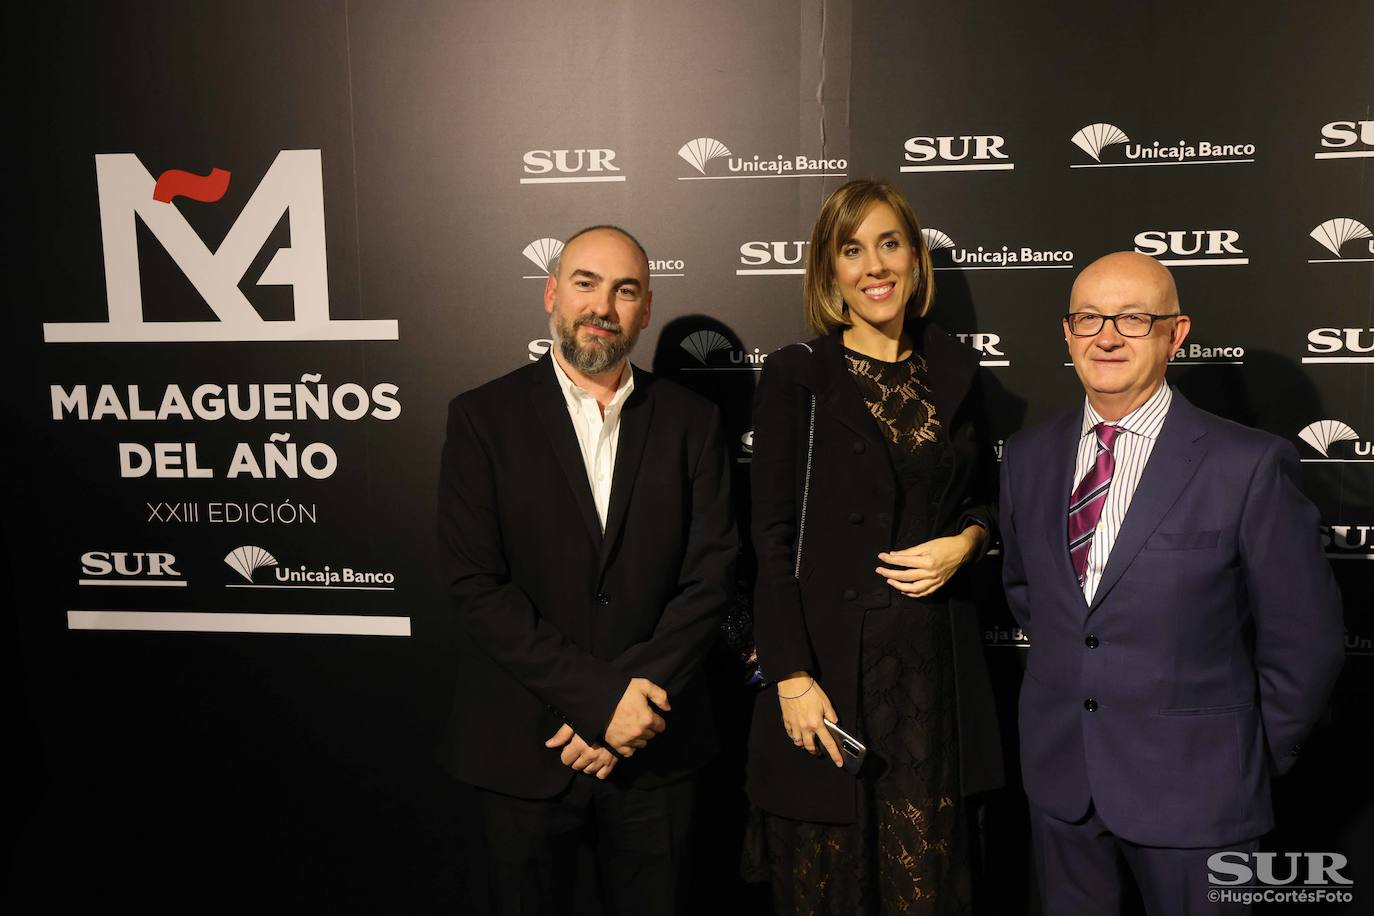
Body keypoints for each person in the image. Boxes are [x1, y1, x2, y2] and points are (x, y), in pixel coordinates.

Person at [999, 251, 1345, 915]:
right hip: (1063, 788)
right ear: (1066, 332)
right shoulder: (1026, 459)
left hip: (1203, 793)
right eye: (1089, 318)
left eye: (1133, 318)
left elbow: (1306, 641)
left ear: (1175, 334)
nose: (1106, 336)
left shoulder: (1247, 464)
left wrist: (1242, 758)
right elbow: (1034, 599)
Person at [436, 225, 737, 915]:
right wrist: (602, 704)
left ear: (646, 309)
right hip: (522, 750)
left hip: (655, 752)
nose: (603, 305)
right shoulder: (483, 418)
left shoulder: (693, 422)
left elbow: (710, 577)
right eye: (585, 283)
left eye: (625, 290)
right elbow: (476, 587)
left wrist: (634, 705)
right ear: (551, 294)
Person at [745, 179, 1004, 914]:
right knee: (831, 891)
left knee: (930, 887)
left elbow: (983, 496)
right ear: (829, 274)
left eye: (890, 243)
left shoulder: (955, 370)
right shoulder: (799, 373)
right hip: (831, 676)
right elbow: (768, 535)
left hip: (935, 682)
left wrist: (970, 541)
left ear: (916, 259)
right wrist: (790, 676)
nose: (874, 266)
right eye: (851, 250)